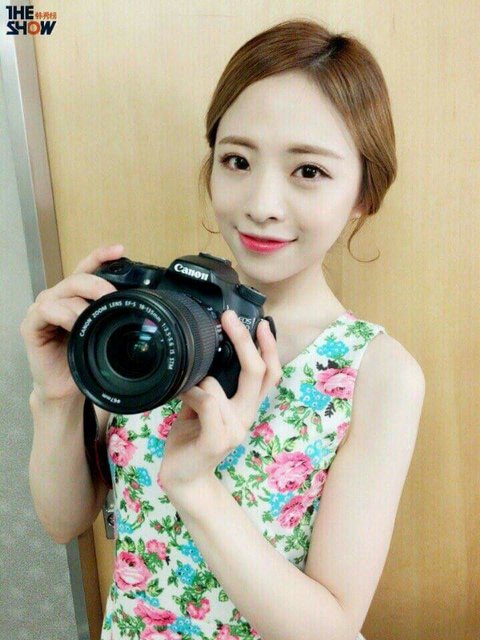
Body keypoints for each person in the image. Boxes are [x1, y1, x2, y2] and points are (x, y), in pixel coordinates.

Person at [21, 18, 426, 640]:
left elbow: (332, 630)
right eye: (237, 160)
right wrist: (58, 396)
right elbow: (62, 521)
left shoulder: (375, 373)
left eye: (308, 171)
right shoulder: (146, 319)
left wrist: (195, 488)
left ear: (363, 195)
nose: (261, 203)